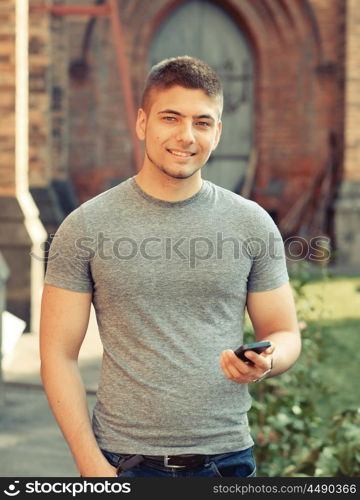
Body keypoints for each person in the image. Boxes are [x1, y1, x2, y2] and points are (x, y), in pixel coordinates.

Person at [40, 56, 301, 478]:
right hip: (123, 463)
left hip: (229, 462)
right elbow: (57, 355)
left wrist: (268, 361)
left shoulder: (251, 223)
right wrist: (89, 463)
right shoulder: (86, 225)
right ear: (143, 123)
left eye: (202, 122)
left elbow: (284, 332)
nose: (186, 136)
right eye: (171, 118)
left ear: (217, 132)